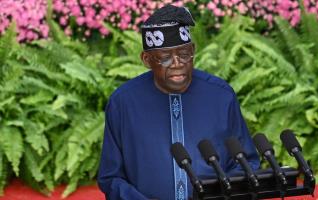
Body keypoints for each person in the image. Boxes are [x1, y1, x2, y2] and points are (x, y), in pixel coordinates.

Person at [97, 4, 260, 200]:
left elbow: (246, 163)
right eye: (165, 58)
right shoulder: (123, 103)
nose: (177, 64)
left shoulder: (221, 96)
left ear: (193, 50)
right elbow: (111, 177)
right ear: (147, 59)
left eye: (184, 54)